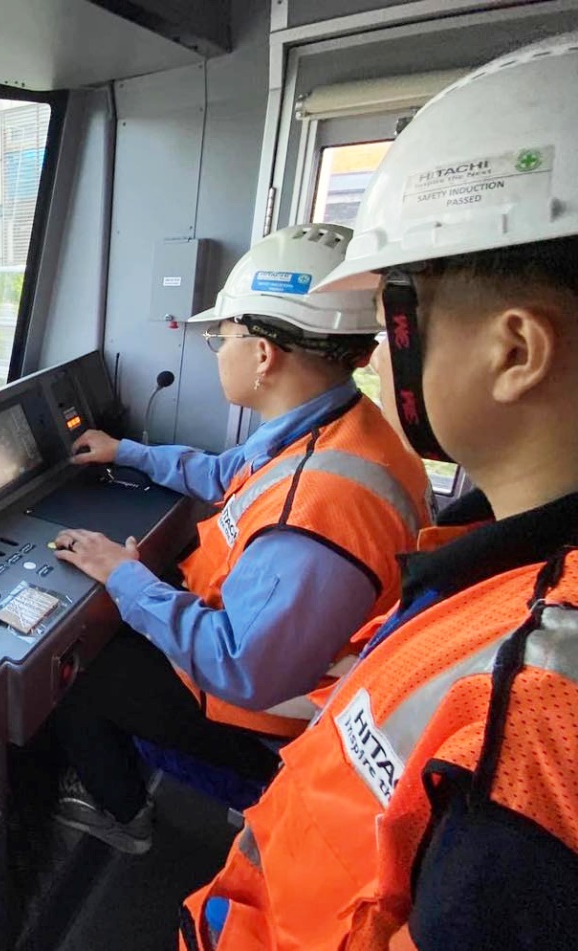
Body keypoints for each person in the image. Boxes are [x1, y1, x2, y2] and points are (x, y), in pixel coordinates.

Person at [182, 33, 578, 950]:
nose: (382, 347)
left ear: (514, 350)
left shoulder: (531, 718)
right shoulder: (508, 558)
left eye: (400, 308)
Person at [49, 223, 432, 854]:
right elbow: (229, 473)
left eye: (220, 336)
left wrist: (124, 576)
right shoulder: (339, 424)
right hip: (269, 649)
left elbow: (240, 667)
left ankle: (123, 818)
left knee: (85, 681)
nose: (216, 349)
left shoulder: (321, 506)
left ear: (263, 354)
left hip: (273, 722)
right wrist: (128, 452)